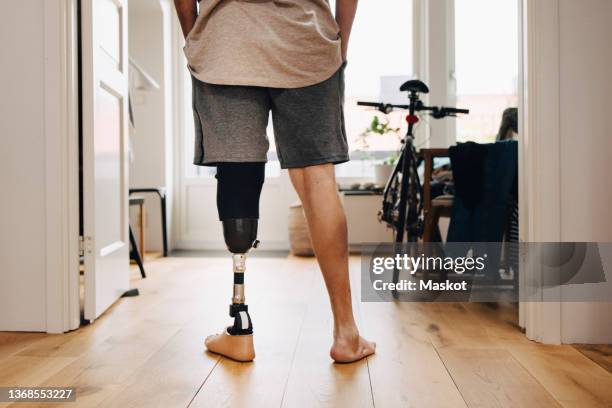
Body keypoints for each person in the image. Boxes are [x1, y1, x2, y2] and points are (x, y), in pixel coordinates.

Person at [173, 0, 375, 363]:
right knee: (318, 180)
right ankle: (346, 333)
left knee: (237, 175)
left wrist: (195, 34)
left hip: (226, 41)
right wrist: (340, 43)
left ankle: (240, 329)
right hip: (306, 43)